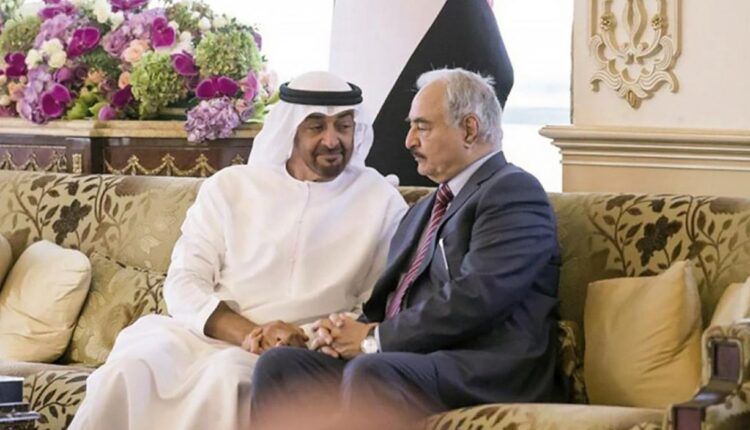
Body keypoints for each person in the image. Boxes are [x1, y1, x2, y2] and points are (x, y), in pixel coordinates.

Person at [68, 71, 408, 430]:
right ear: (290, 129)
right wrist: (249, 334)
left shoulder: (380, 201)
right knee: (132, 366)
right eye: (316, 127)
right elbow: (185, 280)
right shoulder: (231, 188)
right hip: (210, 334)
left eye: (344, 126)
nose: (332, 140)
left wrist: (305, 337)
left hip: (301, 350)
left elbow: (377, 303)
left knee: (226, 377)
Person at [251, 68, 566, 425]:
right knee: (281, 366)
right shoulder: (422, 210)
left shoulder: (512, 191)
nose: (409, 141)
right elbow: (393, 302)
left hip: (484, 367)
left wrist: (374, 339)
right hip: (414, 358)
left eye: (422, 127)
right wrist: (335, 335)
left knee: (372, 371)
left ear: (469, 129)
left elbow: (479, 295)